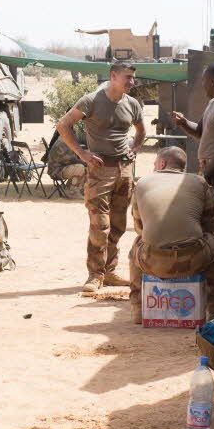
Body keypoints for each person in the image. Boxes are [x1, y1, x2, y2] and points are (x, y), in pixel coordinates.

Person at [56, 62, 146, 295]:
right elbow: (63, 125)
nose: (131, 82)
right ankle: (95, 275)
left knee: (117, 224)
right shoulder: (92, 100)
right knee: (100, 226)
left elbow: (141, 132)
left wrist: (134, 148)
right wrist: (82, 153)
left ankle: (110, 271)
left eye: (133, 78)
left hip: (124, 170)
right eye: (127, 77)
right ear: (113, 76)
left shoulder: (132, 104)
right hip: (100, 170)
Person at [128, 147, 214, 323]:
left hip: (153, 261)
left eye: (155, 163)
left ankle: (138, 309)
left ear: (162, 163)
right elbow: (212, 222)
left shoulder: (143, 183)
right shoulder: (199, 182)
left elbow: (139, 226)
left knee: (136, 247)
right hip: (194, 259)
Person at [169, 64, 214, 248]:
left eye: (204, 81)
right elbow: (201, 131)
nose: (202, 85)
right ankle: (213, 266)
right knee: (208, 222)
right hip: (210, 169)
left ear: (213, 82)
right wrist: (184, 123)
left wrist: (208, 174)